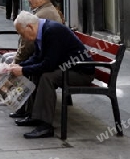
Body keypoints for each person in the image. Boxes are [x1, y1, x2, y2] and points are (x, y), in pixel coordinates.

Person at [10, 11, 95, 139]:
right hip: (66, 68)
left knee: (47, 77)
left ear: (30, 27)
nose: (23, 38)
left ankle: (46, 126)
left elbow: (48, 65)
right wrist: (21, 66)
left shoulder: (52, 31)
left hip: (81, 72)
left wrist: (23, 70)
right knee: (38, 73)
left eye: (22, 34)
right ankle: (34, 115)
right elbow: (37, 57)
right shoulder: (42, 31)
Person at [6, 0, 64, 118]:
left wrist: (21, 65)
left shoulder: (43, 16)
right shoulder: (42, 12)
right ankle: (23, 107)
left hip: (69, 65)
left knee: (42, 75)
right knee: (17, 64)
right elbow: (38, 52)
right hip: (51, 58)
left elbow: (31, 46)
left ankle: (29, 111)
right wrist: (21, 65)